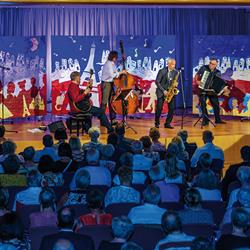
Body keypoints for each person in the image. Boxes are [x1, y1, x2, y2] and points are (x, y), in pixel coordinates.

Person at [195, 58, 227, 126]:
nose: (211, 65)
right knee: (202, 104)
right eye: (210, 63)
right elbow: (197, 75)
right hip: (203, 89)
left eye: (213, 64)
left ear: (216, 65)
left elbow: (218, 82)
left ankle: (217, 120)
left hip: (212, 90)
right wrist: (197, 81)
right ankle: (205, 120)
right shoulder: (204, 68)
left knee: (216, 104)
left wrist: (221, 89)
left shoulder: (218, 72)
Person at [101, 51, 127, 126]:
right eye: (116, 57)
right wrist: (121, 72)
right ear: (114, 57)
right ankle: (102, 120)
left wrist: (122, 60)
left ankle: (113, 119)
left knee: (111, 101)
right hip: (106, 83)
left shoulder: (111, 63)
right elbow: (112, 75)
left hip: (110, 83)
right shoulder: (108, 64)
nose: (116, 59)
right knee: (104, 102)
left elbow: (117, 65)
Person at [155, 58, 179, 129]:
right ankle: (157, 123)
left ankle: (167, 123)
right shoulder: (162, 71)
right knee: (159, 108)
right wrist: (163, 91)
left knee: (171, 108)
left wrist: (175, 86)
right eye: (172, 64)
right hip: (161, 92)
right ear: (168, 64)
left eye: (174, 64)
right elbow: (157, 82)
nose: (174, 66)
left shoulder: (175, 72)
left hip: (170, 92)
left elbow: (174, 82)